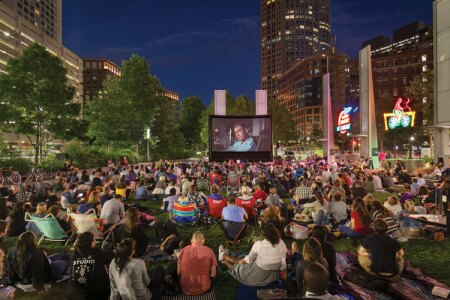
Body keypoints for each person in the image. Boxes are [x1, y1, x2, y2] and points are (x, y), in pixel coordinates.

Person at [220, 224, 286, 287]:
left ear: (265, 235)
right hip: (272, 277)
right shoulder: (282, 244)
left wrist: (227, 257)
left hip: (256, 276)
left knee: (237, 268)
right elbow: (283, 266)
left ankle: (223, 257)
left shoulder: (259, 245)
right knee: (249, 261)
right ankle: (225, 257)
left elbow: (243, 261)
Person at [67, 232, 113, 299]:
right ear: (92, 242)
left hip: (73, 292)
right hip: (96, 293)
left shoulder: (73, 254)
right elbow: (113, 258)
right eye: (94, 240)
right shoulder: (98, 252)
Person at [177, 231, 217, 296]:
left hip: (185, 289)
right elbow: (213, 274)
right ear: (203, 240)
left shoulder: (183, 251)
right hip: (204, 289)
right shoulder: (209, 250)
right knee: (216, 267)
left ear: (191, 240)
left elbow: (178, 273)